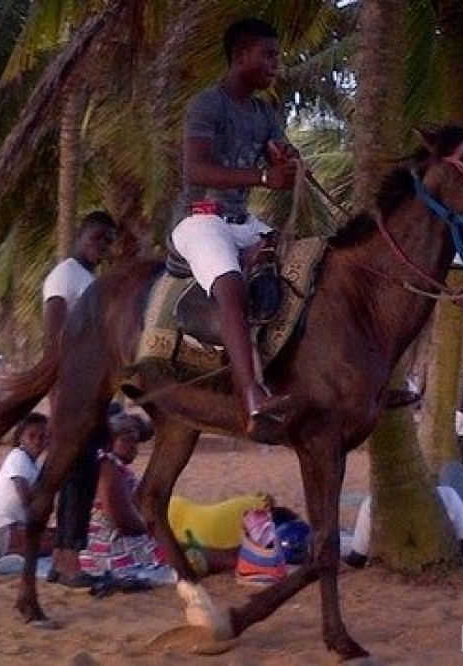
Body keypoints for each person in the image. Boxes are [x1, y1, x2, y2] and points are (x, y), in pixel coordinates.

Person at [168, 17, 300, 442]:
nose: (275, 65)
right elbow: (195, 168)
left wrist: (285, 159)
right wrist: (264, 179)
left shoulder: (264, 112)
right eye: (268, 55)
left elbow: (278, 153)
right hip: (200, 218)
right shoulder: (207, 105)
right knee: (229, 286)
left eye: (276, 57)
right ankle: (251, 396)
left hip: (243, 222)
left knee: (309, 262)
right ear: (241, 56)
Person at [43, 210, 118, 588]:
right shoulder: (65, 276)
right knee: (77, 475)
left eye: (107, 240)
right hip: (72, 392)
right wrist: (58, 398)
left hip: (90, 391)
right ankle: (70, 559)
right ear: (80, 235)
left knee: (82, 474)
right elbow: (53, 337)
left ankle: (61, 559)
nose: (100, 244)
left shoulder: (92, 280)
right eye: (96, 236)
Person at [79, 412, 165, 575]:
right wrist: (148, 529)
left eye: (135, 441)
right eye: (126, 440)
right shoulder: (108, 467)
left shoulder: (111, 466)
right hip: (111, 549)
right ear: (110, 442)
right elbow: (119, 516)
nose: (133, 446)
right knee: (184, 554)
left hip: (105, 545)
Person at [343, 486, 463, 569]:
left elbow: (357, 558)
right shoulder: (447, 495)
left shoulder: (371, 503)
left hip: (395, 570)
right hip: (439, 566)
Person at [0, 412, 54, 559]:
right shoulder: (18, 458)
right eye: (32, 436)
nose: (37, 441)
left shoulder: (34, 464)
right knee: (61, 543)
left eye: (43, 437)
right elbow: (26, 500)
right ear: (21, 437)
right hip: (1, 530)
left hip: (12, 526)